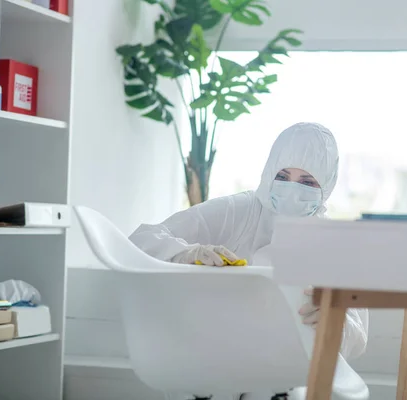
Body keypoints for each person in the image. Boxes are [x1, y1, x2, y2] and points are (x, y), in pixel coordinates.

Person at [129, 122, 369, 361]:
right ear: (269, 172)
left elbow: (359, 337)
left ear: (327, 185)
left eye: (307, 182)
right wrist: (186, 253)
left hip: (295, 366)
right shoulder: (240, 212)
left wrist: (336, 321)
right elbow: (141, 239)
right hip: (219, 352)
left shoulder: (336, 245)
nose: (293, 190)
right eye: (283, 176)